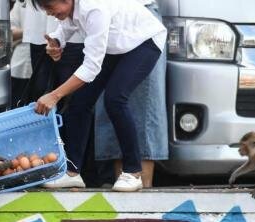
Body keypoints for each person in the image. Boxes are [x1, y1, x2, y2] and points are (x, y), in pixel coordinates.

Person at [32, 0, 166, 192]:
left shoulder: (93, 8)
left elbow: (91, 67)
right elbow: (67, 26)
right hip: (116, 45)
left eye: (50, 7)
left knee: (115, 99)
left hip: (144, 41)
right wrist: (57, 41)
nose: (49, 13)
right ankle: (72, 172)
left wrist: (55, 95)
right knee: (79, 101)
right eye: (45, 9)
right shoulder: (73, 9)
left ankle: (133, 172)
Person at [93, 0, 167, 188]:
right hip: (104, 15)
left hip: (138, 16)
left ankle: (143, 197)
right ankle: (122, 187)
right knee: (111, 106)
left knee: (141, 110)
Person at [10, 1, 32, 108]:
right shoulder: (21, 3)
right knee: (17, 106)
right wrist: (33, 31)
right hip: (20, 63)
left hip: (49, 62)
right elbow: (9, 33)